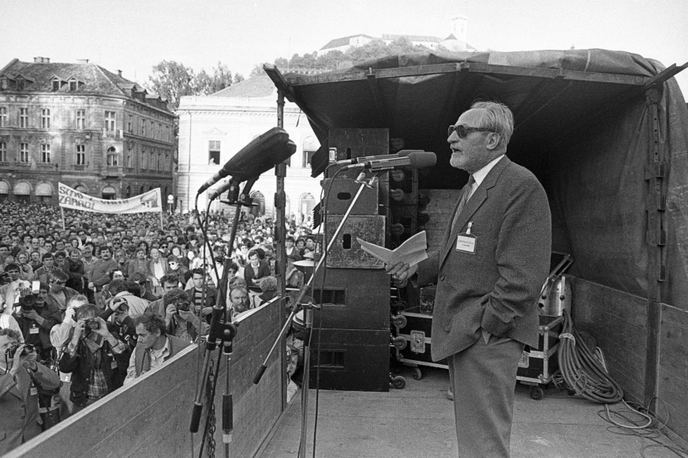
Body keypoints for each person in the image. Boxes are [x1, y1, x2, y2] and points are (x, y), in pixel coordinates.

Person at [387, 101, 551, 458]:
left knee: (484, 445)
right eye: (451, 130)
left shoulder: (521, 186)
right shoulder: (474, 187)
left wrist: (488, 327)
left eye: (462, 131)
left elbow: (524, 277)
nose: (450, 139)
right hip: (466, 332)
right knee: (475, 441)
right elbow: (461, 253)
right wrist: (418, 268)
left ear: (492, 140)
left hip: (486, 336)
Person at [0, 329, 61, 455]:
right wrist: (13, 370)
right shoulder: (17, 369)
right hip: (6, 442)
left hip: (32, 436)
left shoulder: (26, 368)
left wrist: (34, 365)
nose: (11, 349)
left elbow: (54, 383)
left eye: (13, 344)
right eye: (5, 346)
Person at [58, 304, 127, 412]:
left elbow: (125, 360)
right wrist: (75, 337)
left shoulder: (110, 337)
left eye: (92, 320)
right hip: (84, 399)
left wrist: (108, 335)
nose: (89, 325)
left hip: (110, 396)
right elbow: (65, 368)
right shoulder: (76, 341)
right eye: (85, 321)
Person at [123, 314, 190, 385]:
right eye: (138, 335)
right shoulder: (138, 349)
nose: (139, 340)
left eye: (142, 335)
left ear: (157, 332)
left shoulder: (183, 349)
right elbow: (129, 378)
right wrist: (138, 380)